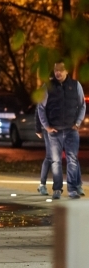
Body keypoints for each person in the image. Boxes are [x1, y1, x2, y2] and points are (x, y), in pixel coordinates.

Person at [38, 61, 86, 200]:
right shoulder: (47, 87)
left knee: (72, 160)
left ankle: (72, 189)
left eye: (61, 70)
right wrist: (46, 127)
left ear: (67, 71)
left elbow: (82, 105)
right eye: (55, 70)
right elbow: (41, 108)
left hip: (71, 130)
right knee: (56, 161)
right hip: (54, 131)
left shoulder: (75, 85)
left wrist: (77, 123)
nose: (57, 72)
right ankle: (57, 189)